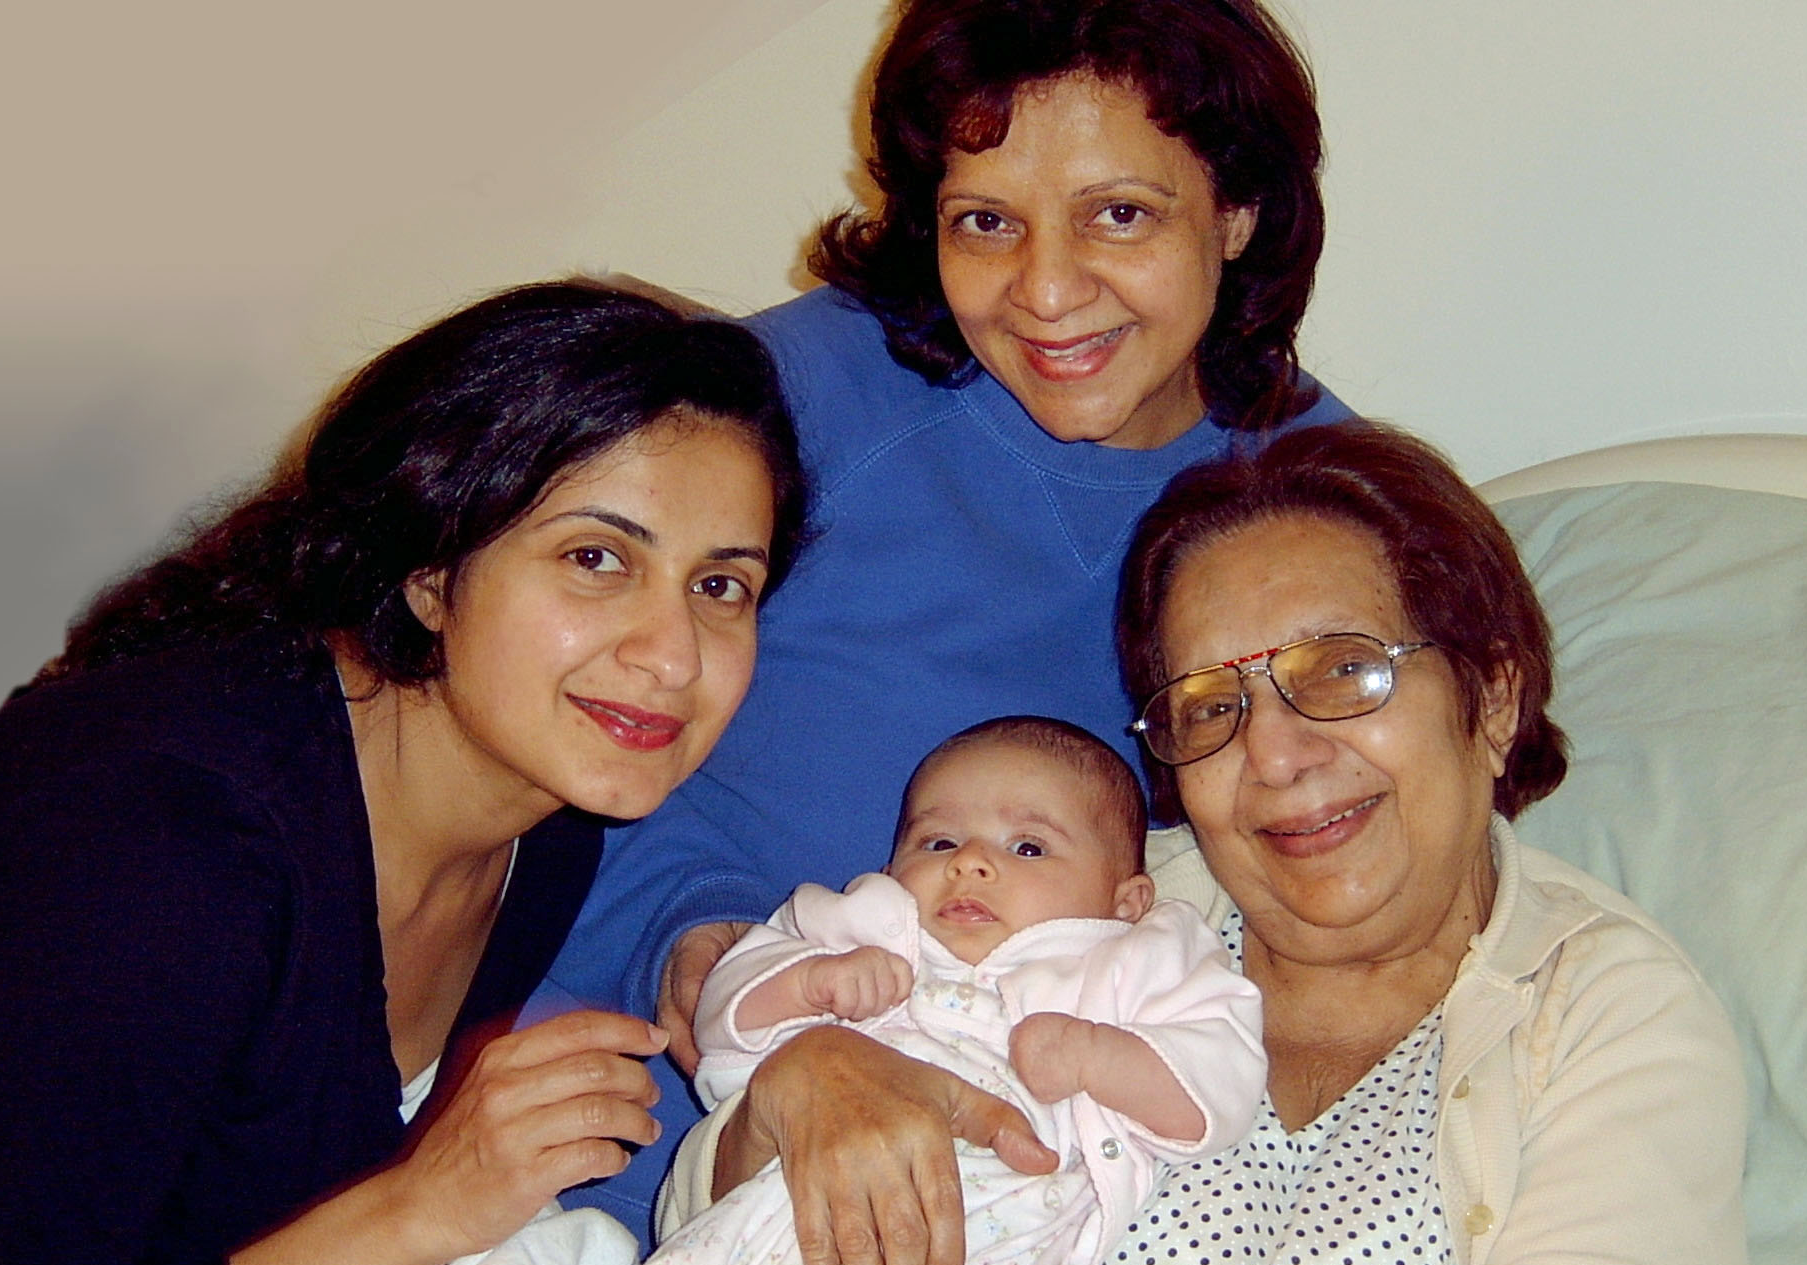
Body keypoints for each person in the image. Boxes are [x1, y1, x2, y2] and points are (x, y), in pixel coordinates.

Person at [547, 0, 1352, 1235]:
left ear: (1237, 211)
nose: (1045, 290)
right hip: (626, 1127)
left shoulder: (1310, 504)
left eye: (1119, 213)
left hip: (1015, 1186)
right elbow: (519, 696)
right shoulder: (787, 405)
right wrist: (723, 974)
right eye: (986, 222)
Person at [655, 421, 1749, 1265]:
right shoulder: (1085, 901)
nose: (1275, 753)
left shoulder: (1605, 1012)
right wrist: (795, 1089)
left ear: (1493, 695)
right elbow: (704, 1208)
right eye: (1209, 704)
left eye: (1341, 670)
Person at [0, 280, 808, 1265]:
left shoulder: (544, 816)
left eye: (720, 585)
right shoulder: (163, 856)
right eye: (596, 558)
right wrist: (420, 1208)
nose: (674, 655)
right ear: (429, 568)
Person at [646, 716, 1262, 1265]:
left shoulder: (1139, 954)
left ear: (1124, 901)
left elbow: (1219, 1081)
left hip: (1013, 1222)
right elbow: (723, 1022)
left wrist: (1098, 1055)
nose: (969, 861)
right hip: (796, 1215)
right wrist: (807, 983)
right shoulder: (863, 926)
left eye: (1028, 847)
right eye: (939, 842)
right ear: (891, 871)